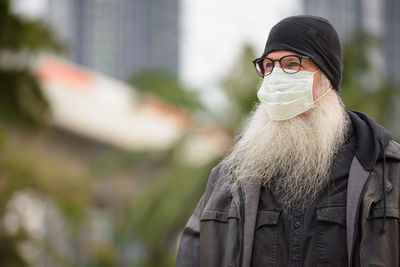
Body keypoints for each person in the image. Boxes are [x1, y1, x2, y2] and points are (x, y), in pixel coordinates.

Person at [175, 15, 400, 267]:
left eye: (292, 64)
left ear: (327, 78)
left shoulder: (388, 172)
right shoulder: (229, 176)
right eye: (268, 66)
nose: (276, 78)